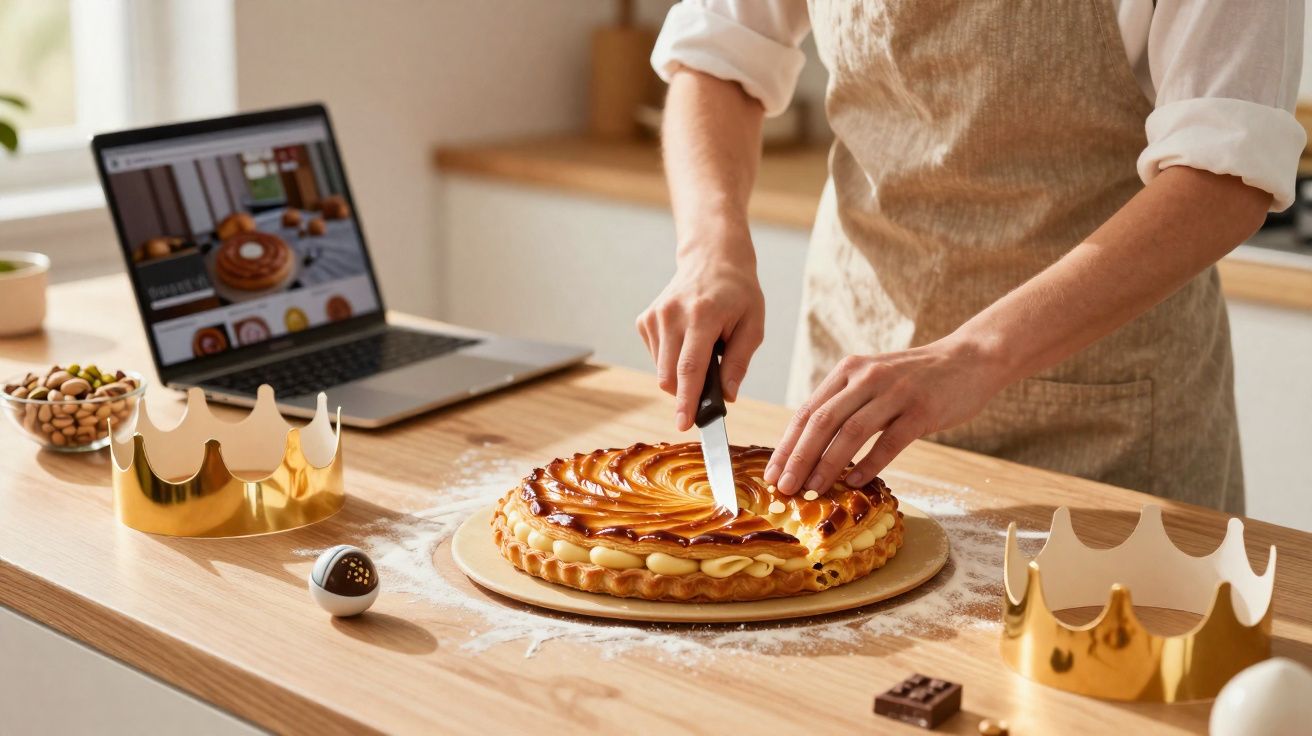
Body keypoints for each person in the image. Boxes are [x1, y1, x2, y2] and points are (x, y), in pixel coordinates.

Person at [635, 0, 1305, 512]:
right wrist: (709, 247)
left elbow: (1223, 177)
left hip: (1108, 422)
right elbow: (719, 55)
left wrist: (974, 355)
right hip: (846, 397)